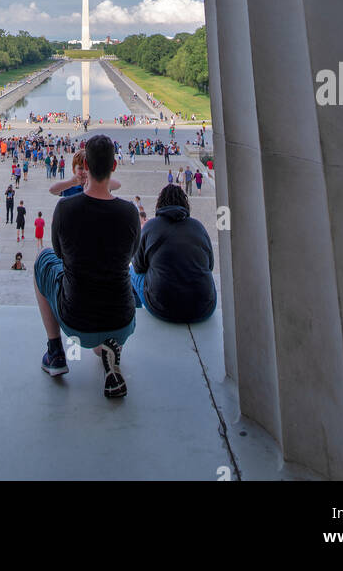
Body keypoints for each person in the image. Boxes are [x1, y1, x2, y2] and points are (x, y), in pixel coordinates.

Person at [33, 135, 140, 399]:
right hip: (123, 319)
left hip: (76, 320)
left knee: (42, 261)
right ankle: (107, 350)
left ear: (86, 167)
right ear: (114, 165)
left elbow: (59, 254)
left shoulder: (65, 208)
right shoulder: (129, 212)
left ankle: (56, 351)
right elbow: (132, 254)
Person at [130, 185, 216, 324]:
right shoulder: (198, 226)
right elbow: (210, 266)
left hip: (161, 307)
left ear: (160, 203)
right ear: (185, 204)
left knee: (131, 271)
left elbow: (139, 267)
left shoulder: (150, 226)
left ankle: (137, 316)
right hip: (203, 308)